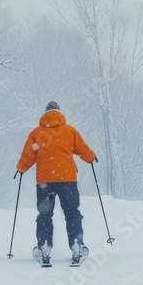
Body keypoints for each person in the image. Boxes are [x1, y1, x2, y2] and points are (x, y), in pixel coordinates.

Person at [16, 101, 97, 262]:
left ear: (45, 113)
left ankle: (44, 246)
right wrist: (91, 157)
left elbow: (28, 156)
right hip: (67, 180)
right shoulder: (69, 131)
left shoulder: (37, 133)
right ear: (59, 113)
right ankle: (77, 244)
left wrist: (20, 168)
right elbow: (83, 149)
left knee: (45, 214)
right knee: (72, 212)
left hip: (45, 181)